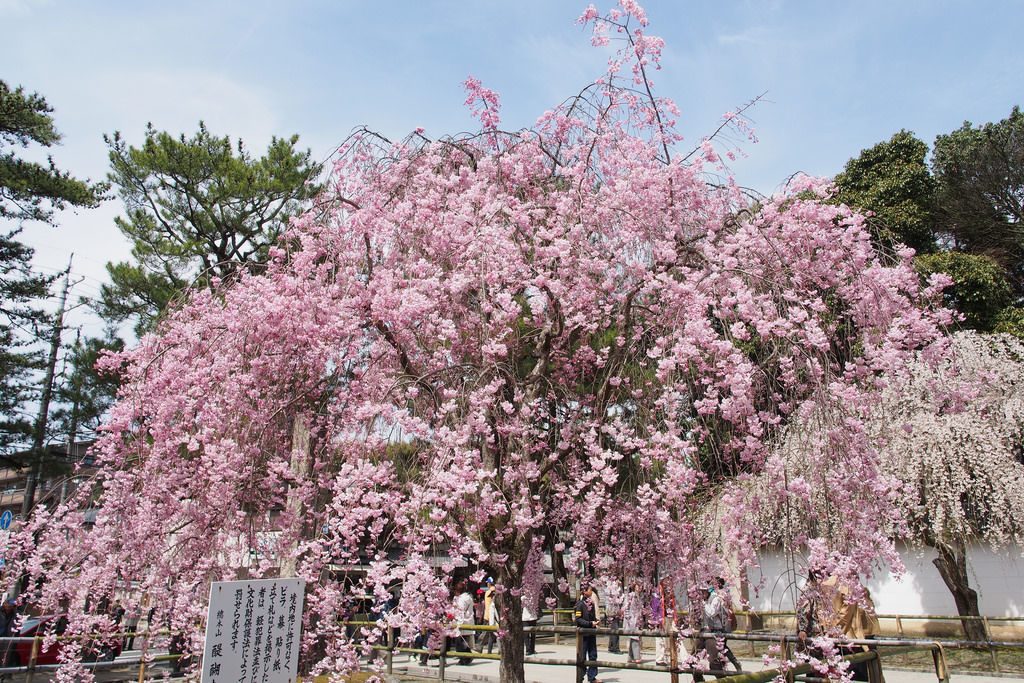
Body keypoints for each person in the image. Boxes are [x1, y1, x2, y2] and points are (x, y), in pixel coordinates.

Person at [714, 577, 742, 671]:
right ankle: (723, 665)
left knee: (721, 645)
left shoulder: (719, 595)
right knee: (721, 645)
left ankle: (733, 662)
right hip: (725, 622)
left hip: (721, 622)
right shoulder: (726, 593)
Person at [574, 583, 600, 683]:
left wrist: (596, 621)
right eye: (589, 590)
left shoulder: (591, 603)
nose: (591, 591)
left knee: (593, 655)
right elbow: (578, 619)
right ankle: (580, 677)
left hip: (591, 633)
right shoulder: (579, 604)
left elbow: (592, 616)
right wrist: (590, 623)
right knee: (582, 656)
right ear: (584, 591)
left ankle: (592, 677)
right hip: (583, 635)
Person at [650, 578, 676, 666]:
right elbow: (654, 608)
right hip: (660, 618)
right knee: (660, 639)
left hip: (668, 617)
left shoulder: (668, 592)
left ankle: (664, 657)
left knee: (666, 639)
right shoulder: (657, 593)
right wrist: (656, 620)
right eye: (665, 582)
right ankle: (659, 659)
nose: (667, 584)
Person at [452, 580, 476, 664]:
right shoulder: (468, 597)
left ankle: (465, 658)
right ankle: (464, 658)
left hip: (462, 622)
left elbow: (460, 612)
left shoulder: (462, 599)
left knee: (461, 643)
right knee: (464, 642)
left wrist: (458, 623)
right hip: (468, 621)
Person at [622, 581, 644, 664]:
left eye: (640, 587)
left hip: (637, 618)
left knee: (633, 638)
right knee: (635, 637)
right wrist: (627, 617)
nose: (639, 588)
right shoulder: (631, 596)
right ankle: (636, 656)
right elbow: (626, 607)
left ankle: (630, 656)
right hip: (632, 619)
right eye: (637, 586)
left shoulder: (639, 596)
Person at [602, 578, 623, 655]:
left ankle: (611, 646)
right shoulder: (611, 588)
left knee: (613, 629)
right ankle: (615, 647)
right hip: (613, 611)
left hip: (614, 611)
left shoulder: (613, 588)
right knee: (615, 629)